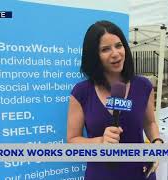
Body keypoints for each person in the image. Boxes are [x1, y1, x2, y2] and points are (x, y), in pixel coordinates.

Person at [67, 20, 162, 180]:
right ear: (94, 55)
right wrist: (100, 142)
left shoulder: (143, 86)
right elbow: (72, 141)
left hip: (140, 173)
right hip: (101, 174)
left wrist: (157, 142)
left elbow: (149, 123)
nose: (116, 53)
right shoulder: (81, 92)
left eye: (119, 45)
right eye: (105, 49)